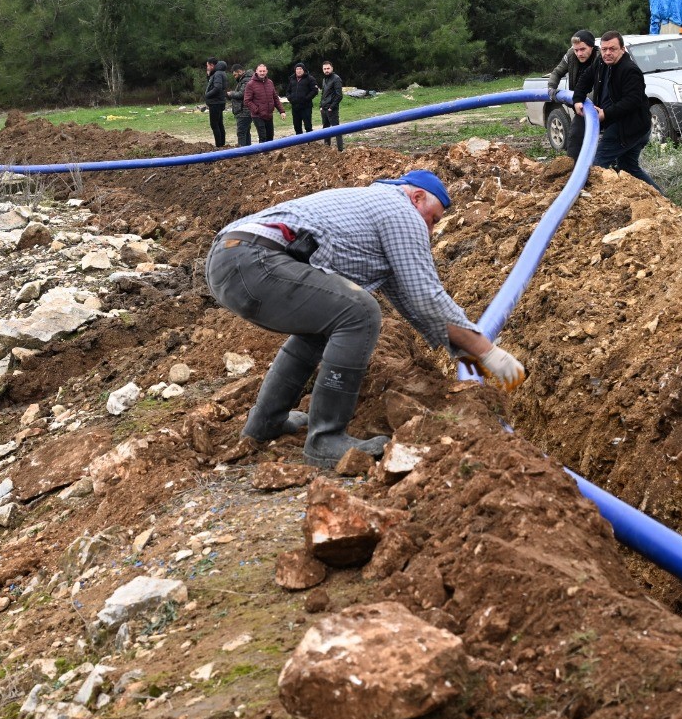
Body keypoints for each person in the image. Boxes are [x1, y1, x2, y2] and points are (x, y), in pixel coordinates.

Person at [206, 170, 526, 468]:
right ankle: (326, 438)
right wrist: (488, 352)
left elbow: (412, 303)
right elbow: (426, 296)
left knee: (323, 326)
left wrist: (467, 351)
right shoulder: (400, 210)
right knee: (360, 312)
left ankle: (266, 422)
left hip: (230, 258)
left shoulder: (372, 210)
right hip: (255, 259)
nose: (429, 231)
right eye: (432, 220)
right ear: (417, 198)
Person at [573, 31, 660, 188]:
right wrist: (578, 99)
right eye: (604, 49)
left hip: (629, 128)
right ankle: (662, 198)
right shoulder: (601, 63)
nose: (607, 53)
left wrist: (605, 114)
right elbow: (585, 78)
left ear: (622, 49)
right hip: (623, 125)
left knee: (596, 166)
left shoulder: (630, 70)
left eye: (612, 49)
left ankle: (591, 198)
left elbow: (632, 101)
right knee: (629, 167)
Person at [545, 30, 600, 160]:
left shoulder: (601, 58)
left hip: (602, 106)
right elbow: (557, 72)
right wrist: (551, 88)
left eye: (583, 49)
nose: (579, 53)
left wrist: (581, 100)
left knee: (607, 145)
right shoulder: (570, 55)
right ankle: (572, 167)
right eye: (576, 50)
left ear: (592, 47)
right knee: (575, 137)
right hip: (581, 107)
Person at [243, 62, 283, 143]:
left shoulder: (270, 82)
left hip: (269, 114)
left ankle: (270, 151)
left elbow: (275, 98)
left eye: (264, 71)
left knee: (270, 137)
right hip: (258, 116)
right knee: (263, 137)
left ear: (266, 71)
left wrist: (281, 111)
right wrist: (256, 110)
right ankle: (262, 151)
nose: (262, 73)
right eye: (260, 71)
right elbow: (247, 100)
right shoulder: (250, 84)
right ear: (256, 71)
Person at [286, 62, 319, 136]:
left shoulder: (310, 79)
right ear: (295, 70)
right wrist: (290, 98)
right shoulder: (292, 79)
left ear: (304, 70)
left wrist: (306, 98)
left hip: (306, 107)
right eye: (297, 69)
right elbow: (288, 91)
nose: (299, 71)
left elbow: (314, 91)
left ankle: (310, 140)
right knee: (297, 126)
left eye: (300, 69)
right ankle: (299, 142)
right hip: (295, 107)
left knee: (308, 126)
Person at [203, 58, 229, 148]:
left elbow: (217, 87)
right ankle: (222, 144)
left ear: (212, 65)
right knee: (219, 123)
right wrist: (208, 76)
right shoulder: (220, 72)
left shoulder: (218, 73)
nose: (207, 67)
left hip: (215, 102)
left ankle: (219, 145)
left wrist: (207, 95)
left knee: (214, 124)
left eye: (207, 66)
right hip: (219, 101)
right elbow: (212, 84)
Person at [319, 60, 344, 151]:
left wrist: (331, 107)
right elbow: (323, 94)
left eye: (328, 68)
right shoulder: (324, 79)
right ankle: (327, 149)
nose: (326, 70)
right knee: (325, 129)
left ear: (332, 68)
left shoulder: (336, 79)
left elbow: (339, 95)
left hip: (331, 109)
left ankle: (340, 150)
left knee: (336, 129)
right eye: (325, 69)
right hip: (324, 108)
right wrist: (320, 106)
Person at [226, 63, 252, 146]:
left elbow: (242, 94)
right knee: (246, 132)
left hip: (244, 111)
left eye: (235, 75)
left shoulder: (246, 80)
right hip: (244, 110)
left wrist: (231, 94)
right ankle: (248, 151)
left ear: (240, 72)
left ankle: (242, 151)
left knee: (241, 133)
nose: (234, 77)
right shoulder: (245, 79)